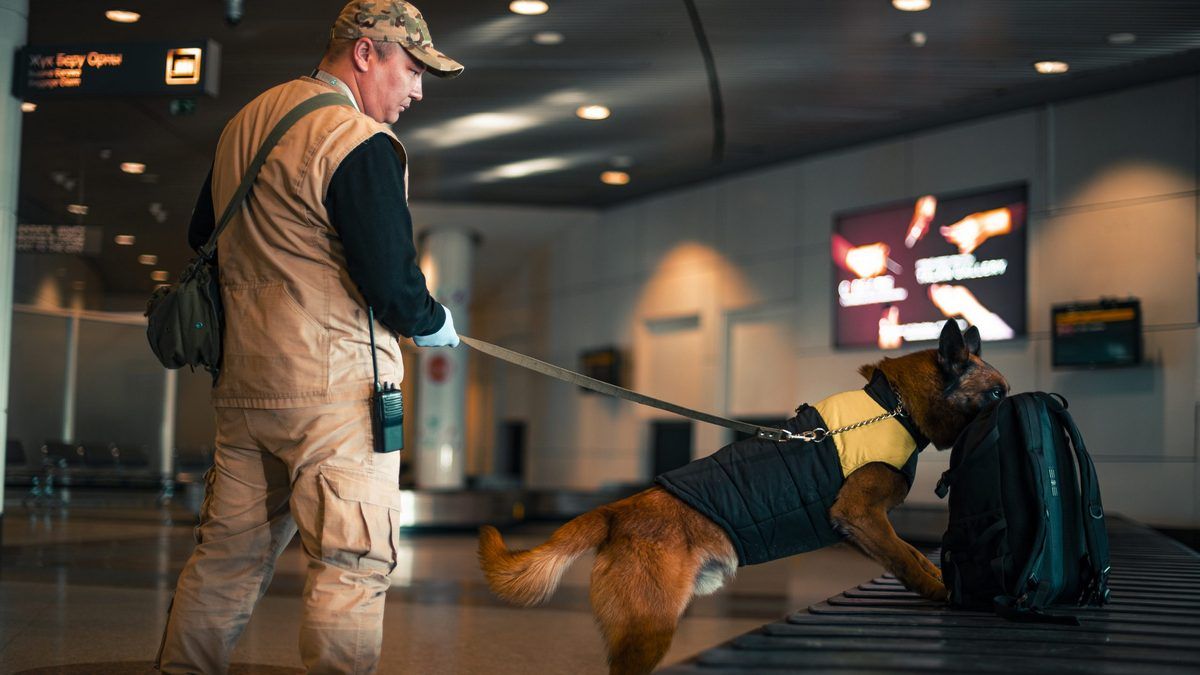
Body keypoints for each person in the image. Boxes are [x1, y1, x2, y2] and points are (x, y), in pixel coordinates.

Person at [155, 2, 463, 672]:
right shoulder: (355, 139)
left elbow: (200, 232)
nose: (415, 89)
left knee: (224, 564)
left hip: (246, 389)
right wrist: (434, 322)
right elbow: (390, 280)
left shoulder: (248, 122)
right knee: (351, 567)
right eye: (411, 68)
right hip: (335, 399)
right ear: (365, 52)